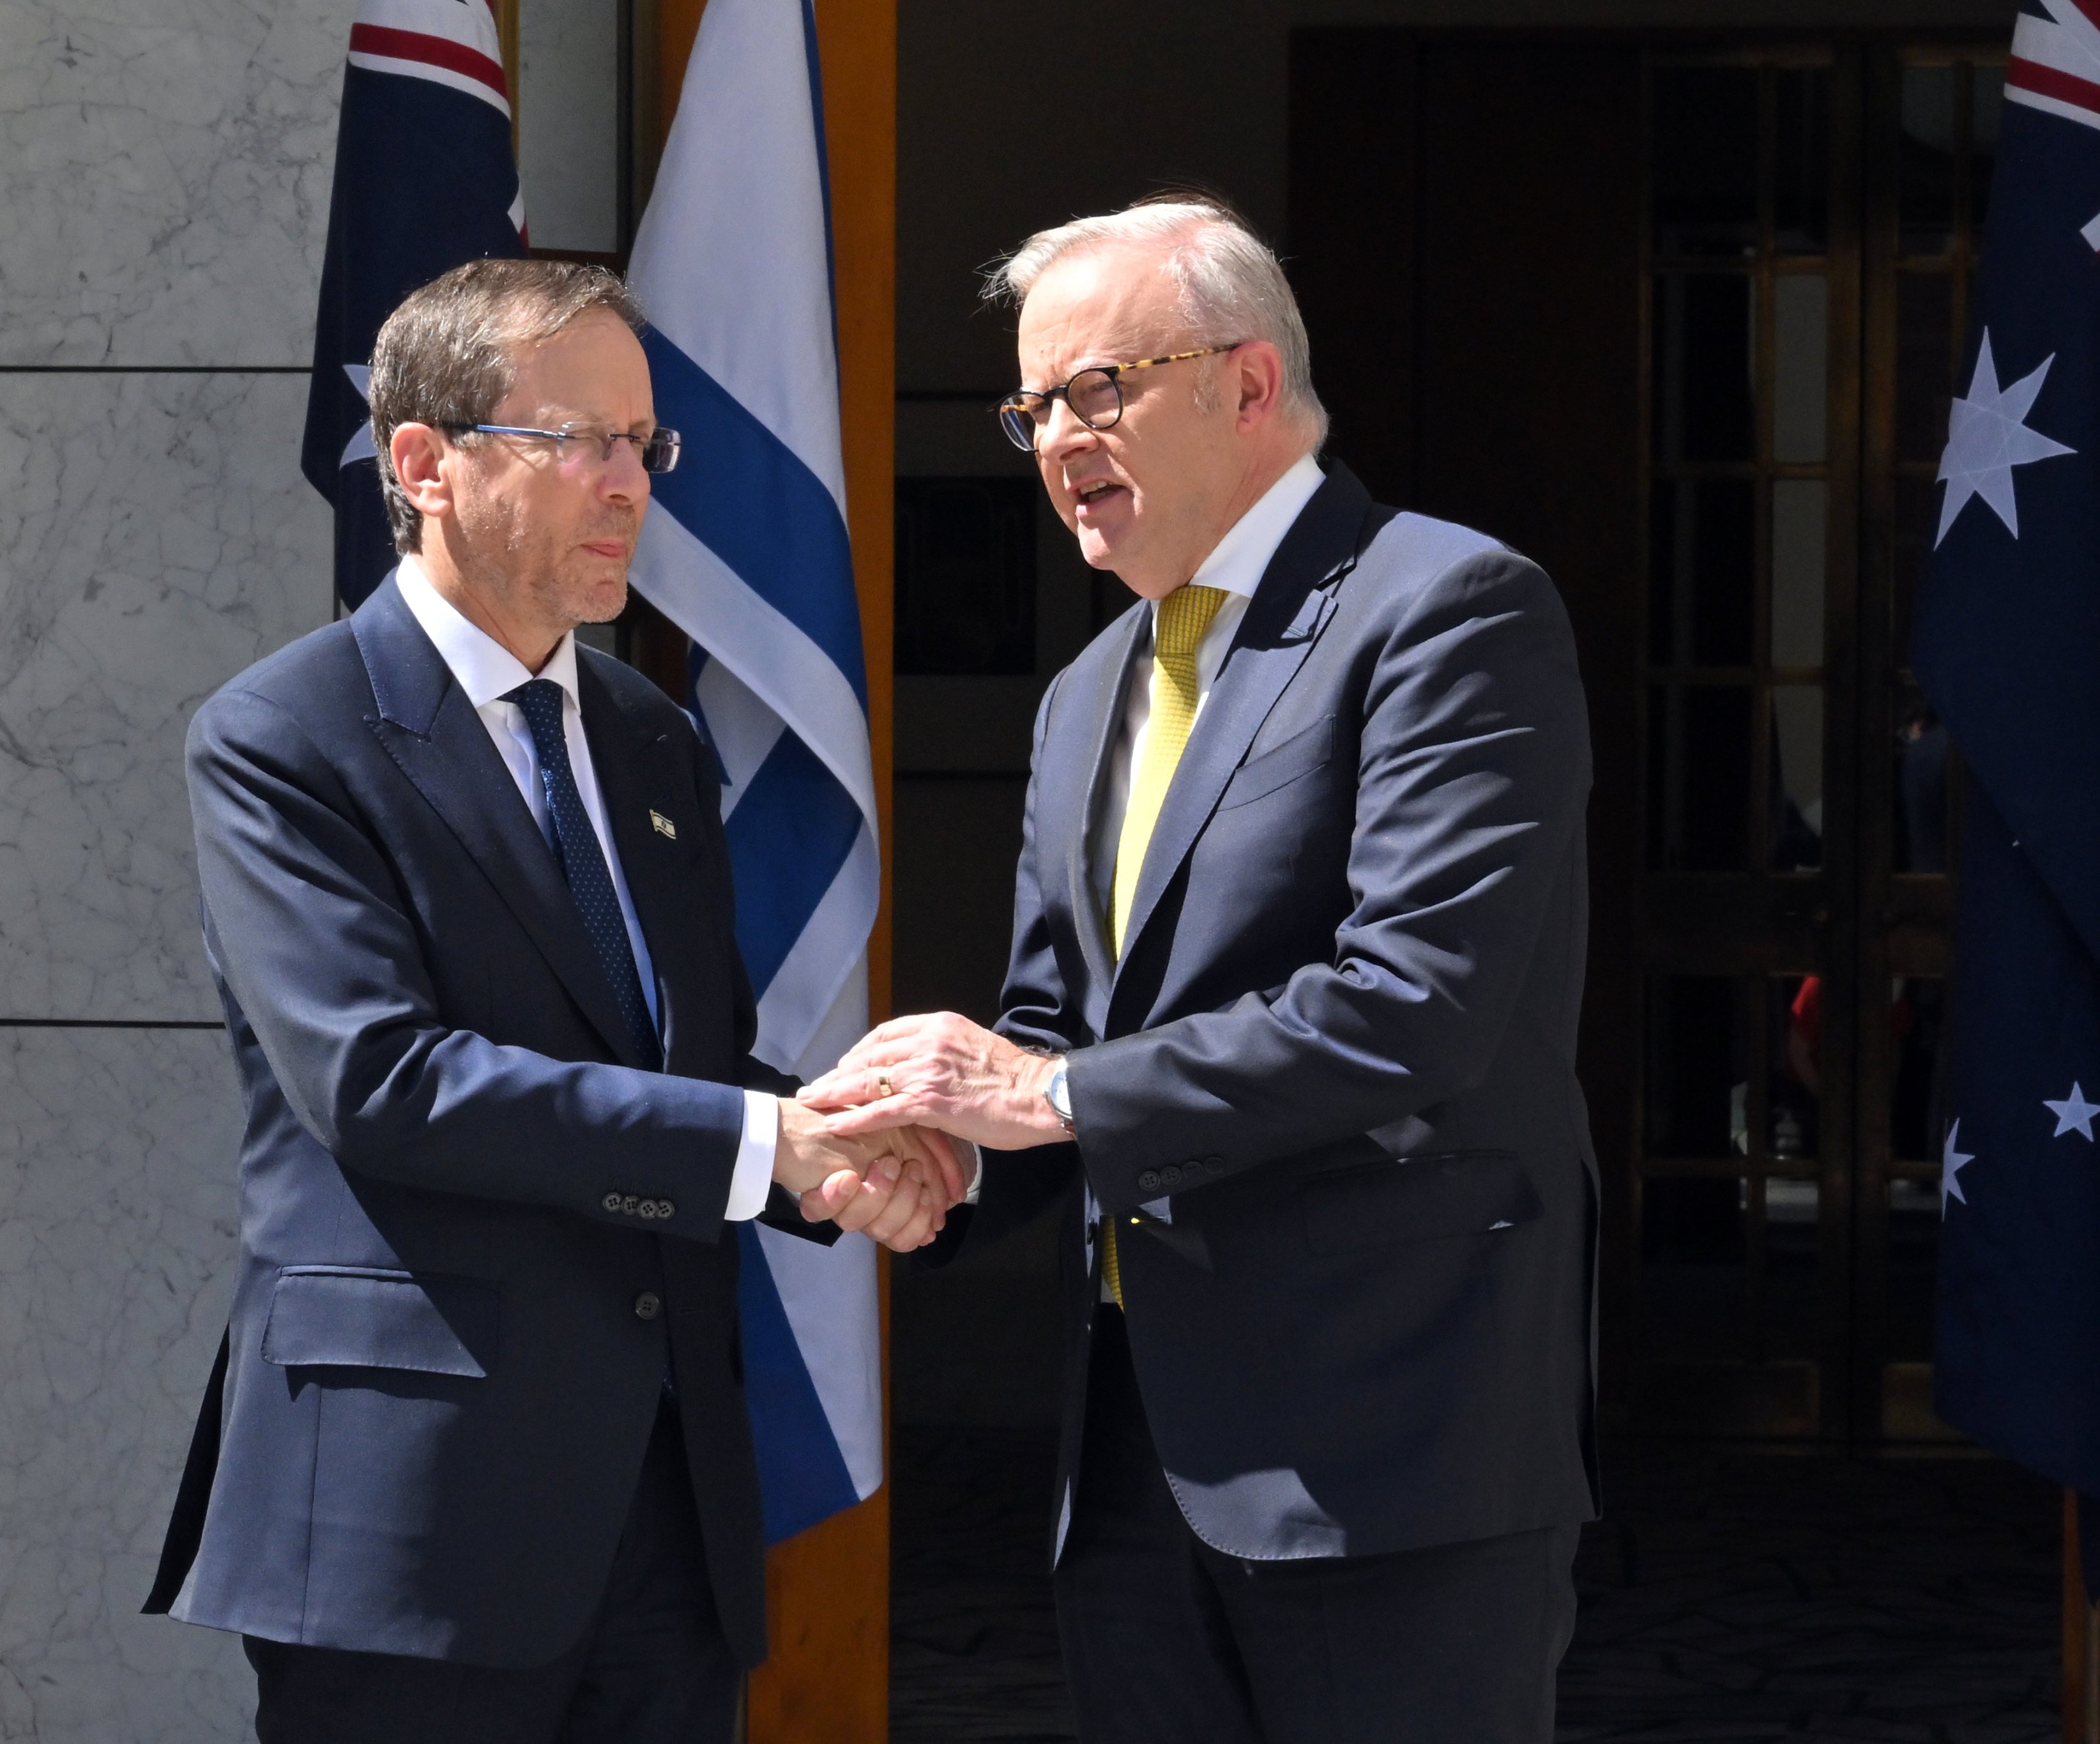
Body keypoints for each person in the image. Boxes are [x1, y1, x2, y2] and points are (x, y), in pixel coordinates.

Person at [805, 198, 1599, 1742]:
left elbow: (1412, 1006)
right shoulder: (1088, 684)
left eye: (1098, 390)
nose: (1052, 441)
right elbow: (1055, 1031)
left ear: (1246, 385)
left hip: (1387, 1442)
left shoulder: (1444, 608)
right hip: (1132, 1461)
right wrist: (951, 1164)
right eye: (1031, 408)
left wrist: (1037, 1091)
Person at [142, 257, 959, 1744]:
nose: (626, 485)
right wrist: (769, 1142)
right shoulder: (286, 734)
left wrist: (846, 1142)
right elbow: (382, 1084)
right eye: (575, 440)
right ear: (423, 465)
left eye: (642, 446)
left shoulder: (648, 738)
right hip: (413, 1524)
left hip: (662, 1510)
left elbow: (682, 1052)